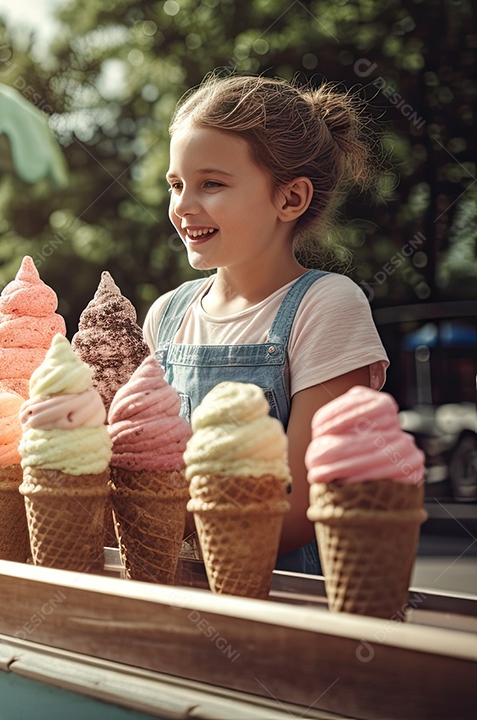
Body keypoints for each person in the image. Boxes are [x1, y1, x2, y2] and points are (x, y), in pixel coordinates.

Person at [143, 75, 388, 575]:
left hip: (287, 608)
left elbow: (302, 504)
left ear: (290, 199)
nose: (184, 205)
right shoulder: (166, 316)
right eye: (176, 184)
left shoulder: (326, 306)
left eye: (211, 183)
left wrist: (156, 525)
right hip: (176, 596)